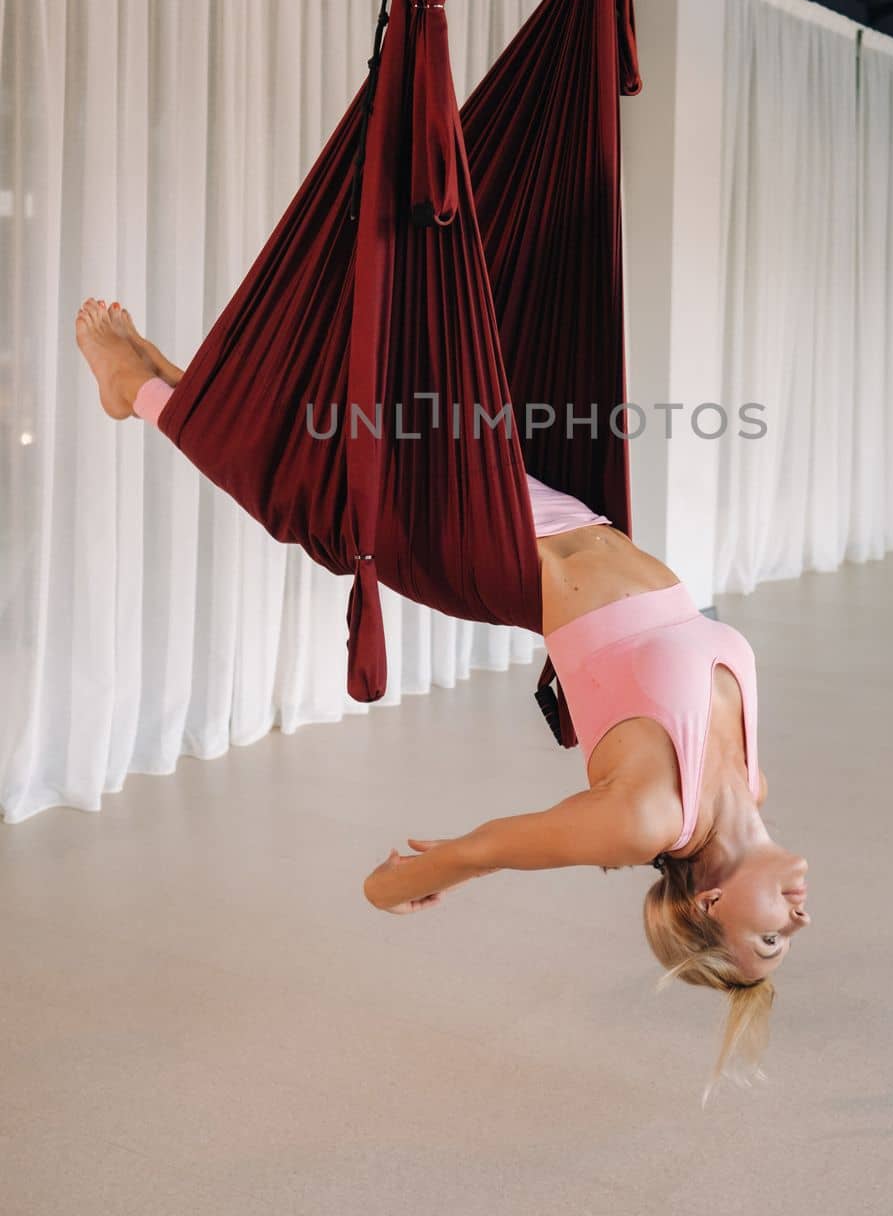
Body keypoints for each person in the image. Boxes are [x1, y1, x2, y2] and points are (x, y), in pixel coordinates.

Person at [75, 295, 811, 1088]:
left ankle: (139, 391)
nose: (798, 921)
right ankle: (162, 382)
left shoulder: (649, 820)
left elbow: (490, 849)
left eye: (770, 939)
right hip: (556, 513)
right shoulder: (752, 779)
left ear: (709, 908)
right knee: (317, 448)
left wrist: (399, 884)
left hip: (483, 545)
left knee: (313, 485)